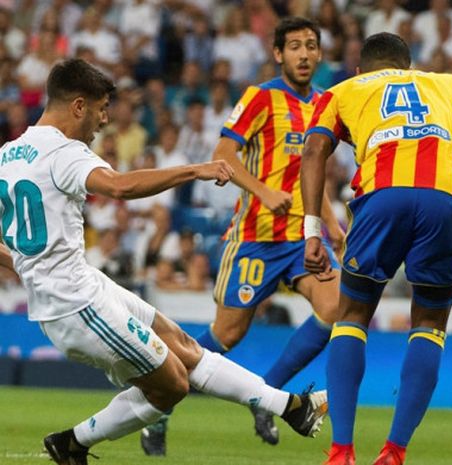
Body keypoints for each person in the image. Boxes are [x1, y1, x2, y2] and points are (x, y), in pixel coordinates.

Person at [0, 58, 328, 465]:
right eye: (102, 109)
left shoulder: (10, 154)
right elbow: (119, 187)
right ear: (79, 106)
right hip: (76, 304)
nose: (105, 120)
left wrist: (27, 268)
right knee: (172, 384)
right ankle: (72, 443)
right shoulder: (64, 153)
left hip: (81, 283)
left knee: (184, 345)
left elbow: (26, 241)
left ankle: (291, 407)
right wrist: (194, 169)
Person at [301, 33, 452, 465]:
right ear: (409, 66)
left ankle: (341, 451)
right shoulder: (447, 81)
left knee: (351, 316)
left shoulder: (341, 91)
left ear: (359, 70)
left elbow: (314, 149)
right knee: (428, 323)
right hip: (447, 196)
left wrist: (313, 227)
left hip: (383, 194)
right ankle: (394, 451)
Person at [140, 17, 344, 454]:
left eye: (311, 46)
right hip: (255, 236)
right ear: (278, 54)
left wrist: (330, 220)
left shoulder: (326, 104)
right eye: (294, 47)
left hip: (302, 238)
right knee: (226, 337)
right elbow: (222, 154)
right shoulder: (262, 97)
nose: (304, 54)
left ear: (320, 54)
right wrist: (264, 191)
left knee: (335, 308)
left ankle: (268, 395)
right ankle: (156, 410)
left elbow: (316, 173)